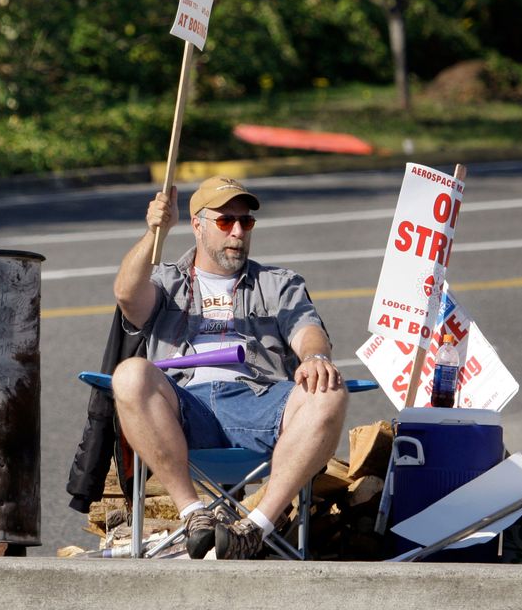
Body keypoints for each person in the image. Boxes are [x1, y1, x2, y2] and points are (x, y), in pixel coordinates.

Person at [110, 176, 348, 559]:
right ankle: (194, 514)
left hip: (261, 404)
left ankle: (255, 528)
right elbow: (126, 294)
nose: (237, 231)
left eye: (245, 221)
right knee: (129, 374)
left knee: (329, 391)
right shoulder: (166, 282)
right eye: (225, 221)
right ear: (197, 225)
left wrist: (315, 357)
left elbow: (308, 331)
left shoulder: (278, 283)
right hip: (185, 410)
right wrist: (155, 232)